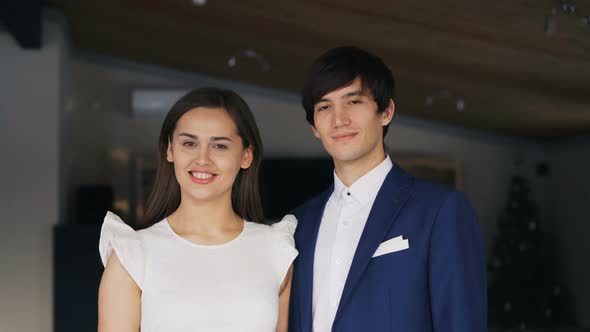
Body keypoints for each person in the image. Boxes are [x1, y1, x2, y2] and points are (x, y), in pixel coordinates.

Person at [288, 46, 487, 332]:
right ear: (314, 127)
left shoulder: (440, 211)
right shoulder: (299, 223)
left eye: (353, 102)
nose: (338, 119)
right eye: (324, 107)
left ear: (386, 111)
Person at [97, 87, 297, 332]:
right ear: (170, 150)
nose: (202, 159)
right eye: (189, 143)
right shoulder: (133, 254)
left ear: (246, 156)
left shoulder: (276, 248)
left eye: (220, 146)